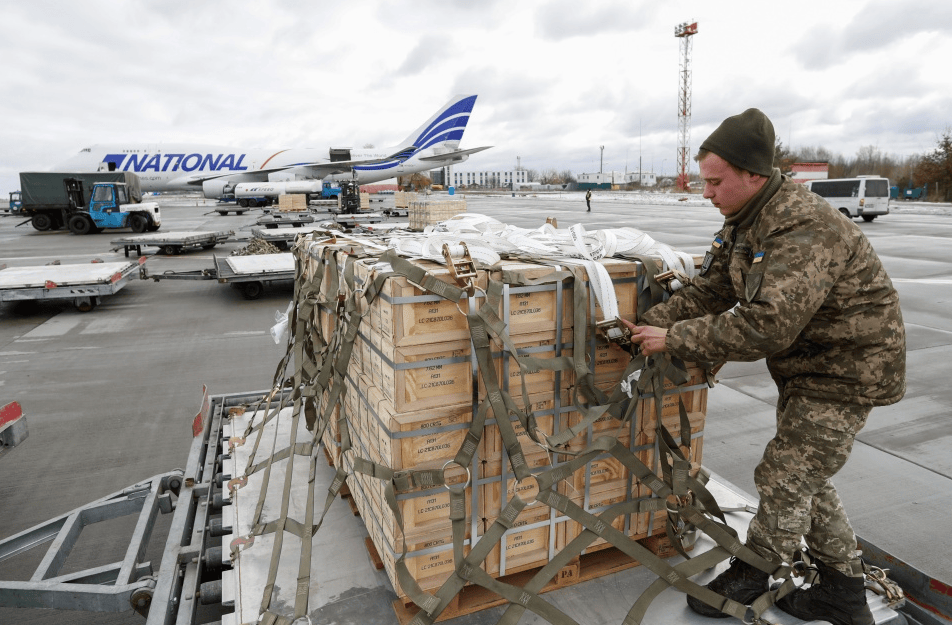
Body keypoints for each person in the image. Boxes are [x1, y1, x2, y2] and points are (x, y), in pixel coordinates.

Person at [621, 108, 906, 625]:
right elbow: (713, 290)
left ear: (753, 174)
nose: (706, 192)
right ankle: (842, 592)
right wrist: (641, 326)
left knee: (784, 476)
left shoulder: (802, 226)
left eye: (715, 182)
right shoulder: (745, 220)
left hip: (847, 369)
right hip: (807, 367)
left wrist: (674, 338)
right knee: (806, 477)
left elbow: (768, 325)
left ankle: (753, 572)